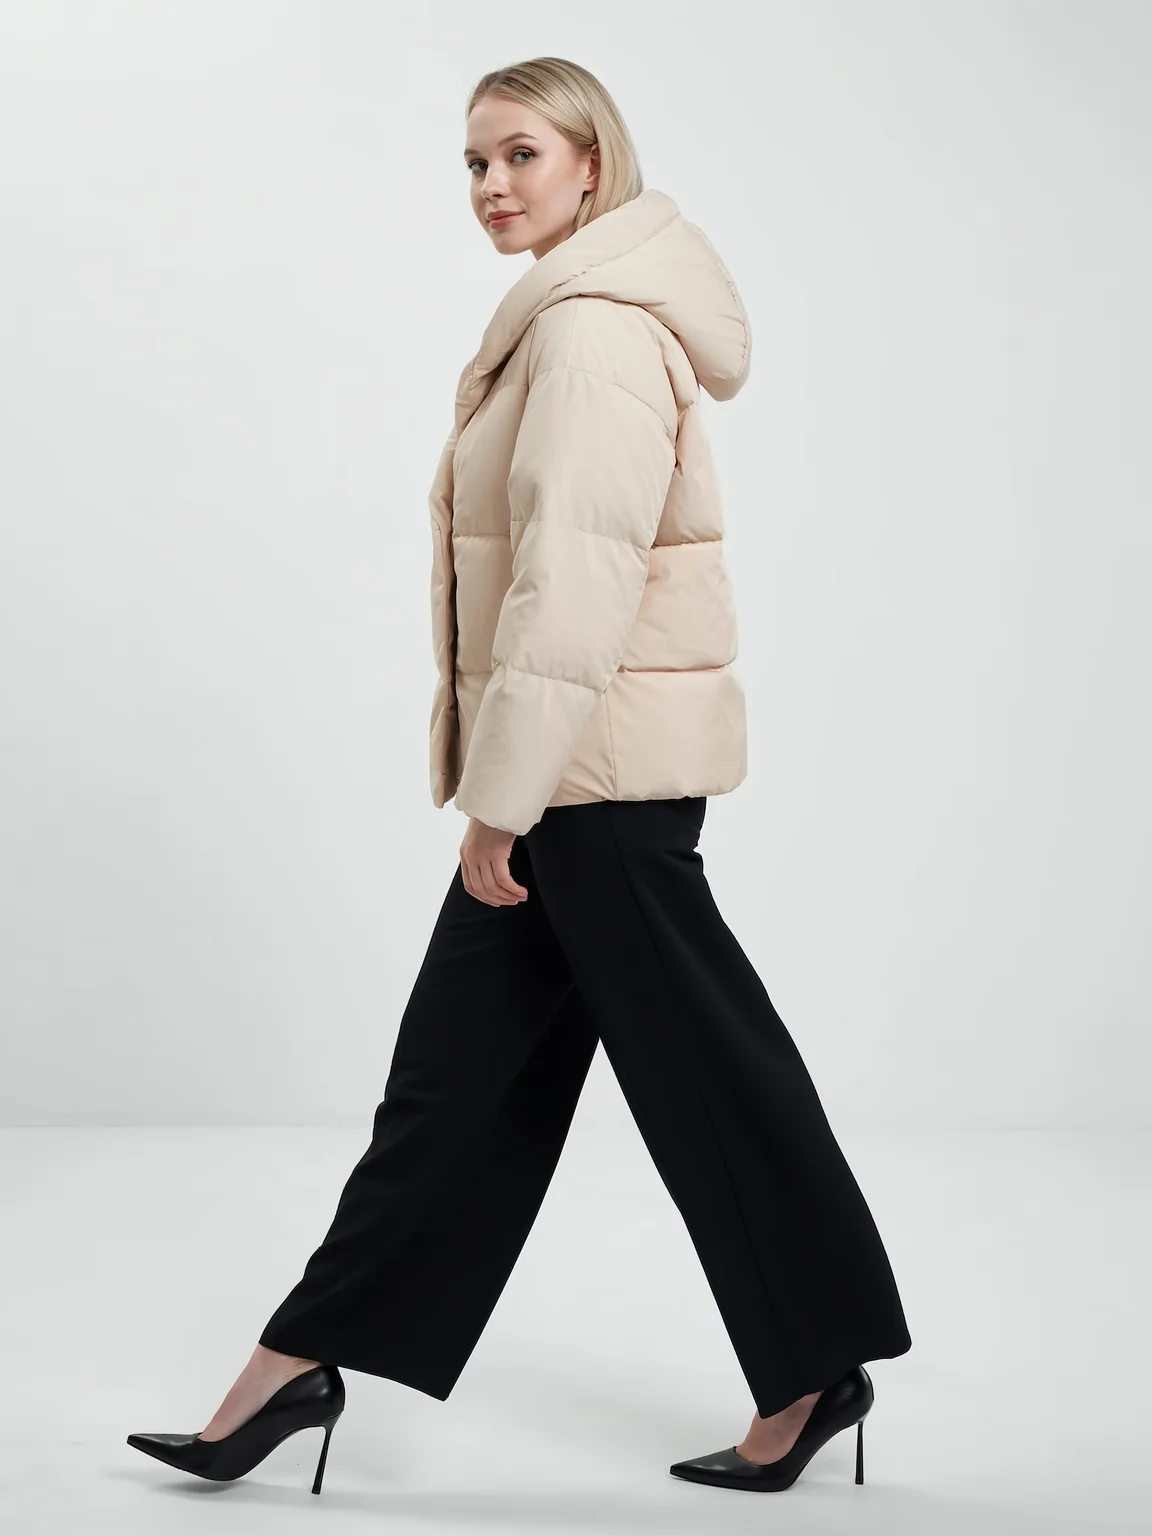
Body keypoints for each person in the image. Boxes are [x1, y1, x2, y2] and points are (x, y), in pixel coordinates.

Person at [127, 55, 912, 1497]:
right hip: (571, 781)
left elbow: (575, 582)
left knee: (702, 1076)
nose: (491, 186)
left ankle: (815, 1366)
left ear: (592, 163)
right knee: (456, 1089)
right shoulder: (568, 316)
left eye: (521, 156)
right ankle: (294, 1365)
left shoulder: (592, 333)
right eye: (475, 163)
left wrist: (506, 796)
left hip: (590, 788)